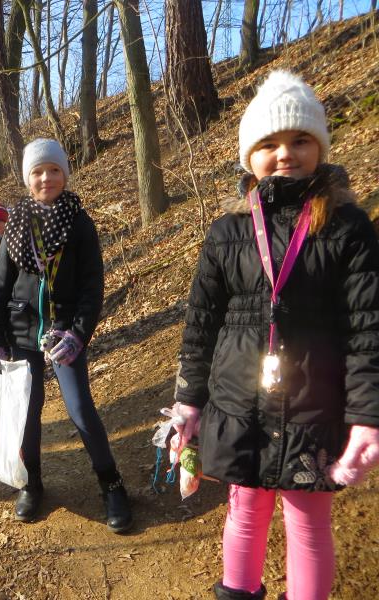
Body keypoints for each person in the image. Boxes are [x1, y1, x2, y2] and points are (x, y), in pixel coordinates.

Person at [173, 71, 379, 600]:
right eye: (269, 144)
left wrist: (366, 416)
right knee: (244, 511)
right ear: (249, 156)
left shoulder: (349, 227)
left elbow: (367, 328)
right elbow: (201, 323)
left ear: (321, 148)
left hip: (314, 407)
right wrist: (189, 399)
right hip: (238, 403)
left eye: (299, 139)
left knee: (308, 523)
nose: (285, 153)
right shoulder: (227, 232)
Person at [0, 138, 133, 532]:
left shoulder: (79, 223)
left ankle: (112, 484)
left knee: (80, 408)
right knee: (27, 414)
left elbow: (92, 287)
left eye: (53, 170)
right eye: (37, 172)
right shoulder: (15, 226)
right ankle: (31, 483)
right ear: (27, 179)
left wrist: (78, 335)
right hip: (21, 332)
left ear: (65, 174)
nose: (46, 178)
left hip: (64, 333)